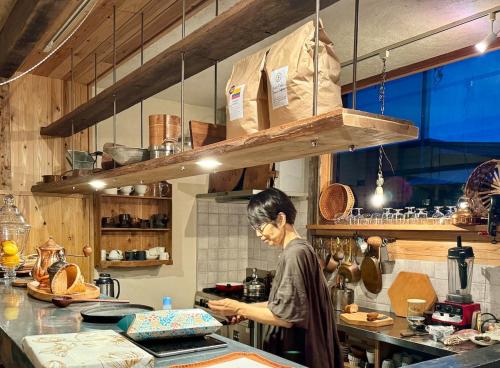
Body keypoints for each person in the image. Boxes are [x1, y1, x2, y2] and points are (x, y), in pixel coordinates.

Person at [208, 188, 343, 368]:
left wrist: (239, 307)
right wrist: (244, 309)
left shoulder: (294, 254)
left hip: (298, 356)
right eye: (255, 228)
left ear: (280, 219)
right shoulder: (303, 249)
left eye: (261, 227)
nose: (258, 234)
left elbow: (285, 318)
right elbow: (285, 304)